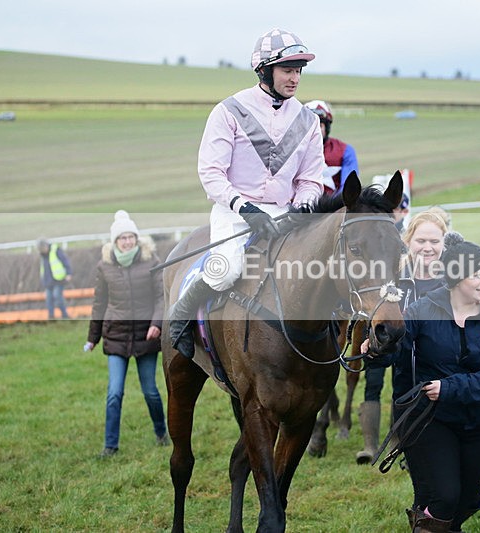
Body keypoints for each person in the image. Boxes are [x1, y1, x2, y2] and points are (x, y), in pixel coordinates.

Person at [168, 28, 325, 359]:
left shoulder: (309, 121)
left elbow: (311, 179)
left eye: (298, 70)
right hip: (234, 210)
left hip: (285, 212)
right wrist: (246, 208)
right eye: (287, 69)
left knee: (317, 270)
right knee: (226, 269)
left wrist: (304, 205)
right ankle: (182, 313)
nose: (295, 78)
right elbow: (211, 173)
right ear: (264, 70)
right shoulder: (228, 111)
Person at [370, 234, 480, 532]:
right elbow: (394, 353)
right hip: (431, 420)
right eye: (478, 274)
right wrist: (375, 345)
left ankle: (428, 523)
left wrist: (450, 388)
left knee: (468, 498)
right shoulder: (420, 312)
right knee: (445, 496)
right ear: (456, 277)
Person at [356, 209, 449, 465]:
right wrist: (374, 344)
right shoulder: (393, 276)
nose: (427, 248)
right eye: (421, 241)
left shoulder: (452, 280)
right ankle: (377, 444)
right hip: (399, 361)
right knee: (377, 384)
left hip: (438, 370)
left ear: (444, 242)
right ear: (407, 241)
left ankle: (409, 445)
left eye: (434, 241)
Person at [85, 211, 168, 457]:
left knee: (150, 391)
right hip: (116, 337)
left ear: (137, 239)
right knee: (114, 392)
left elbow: (161, 297)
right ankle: (110, 446)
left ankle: (161, 432)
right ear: (115, 241)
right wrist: (92, 338)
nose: (128, 241)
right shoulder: (105, 266)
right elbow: (99, 303)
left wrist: (157, 324)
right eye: (123, 238)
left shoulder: (151, 261)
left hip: (146, 337)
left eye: (131, 237)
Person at [304, 99, 359, 195]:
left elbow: (348, 188)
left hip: (334, 207)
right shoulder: (292, 150)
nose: (315, 131)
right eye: (310, 126)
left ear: (327, 127)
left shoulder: (345, 151)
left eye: (319, 126)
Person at [37, 238, 72, 319]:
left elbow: (65, 261)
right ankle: (51, 317)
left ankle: (65, 315)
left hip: (58, 279)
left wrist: (68, 273)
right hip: (48, 281)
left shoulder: (55, 250)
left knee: (57, 297)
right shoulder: (42, 255)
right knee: (49, 299)